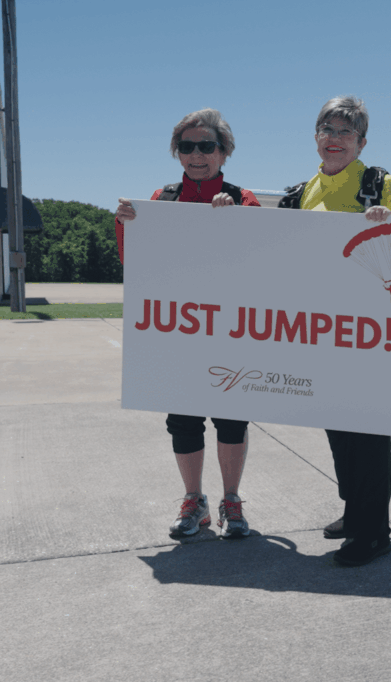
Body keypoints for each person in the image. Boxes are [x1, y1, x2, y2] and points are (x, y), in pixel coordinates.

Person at [278, 96, 391, 566]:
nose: (335, 138)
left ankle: (373, 532)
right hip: (324, 334)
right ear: (316, 137)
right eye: (327, 129)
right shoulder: (302, 192)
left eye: (346, 132)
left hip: (373, 339)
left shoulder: (381, 186)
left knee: (366, 435)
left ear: (362, 142)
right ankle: (355, 510)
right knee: (338, 430)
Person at [115, 108, 261, 540]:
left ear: (224, 152)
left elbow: (264, 261)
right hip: (178, 331)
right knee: (183, 420)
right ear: (177, 153)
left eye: (206, 146)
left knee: (232, 419)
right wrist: (125, 224)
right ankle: (193, 499)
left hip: (232, 329)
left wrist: (238, 216)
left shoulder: (243, 197)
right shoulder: (160, 200)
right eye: (187, 146)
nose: (196, 155)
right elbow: (133, 264)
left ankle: (231, 499)